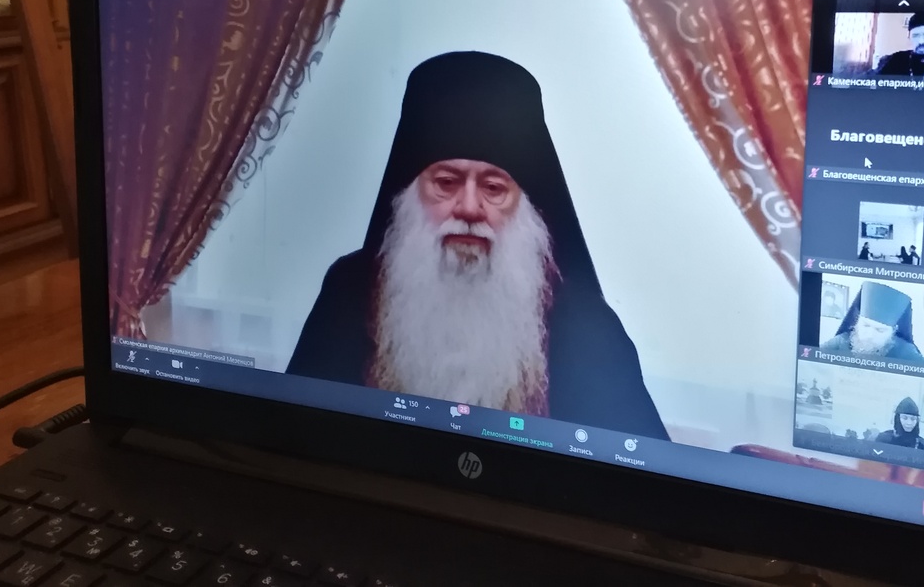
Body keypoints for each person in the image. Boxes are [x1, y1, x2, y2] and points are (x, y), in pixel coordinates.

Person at [287, 51, 669, 439]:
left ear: (526, 207)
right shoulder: (349, 292)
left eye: (493, 188)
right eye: (446, 183)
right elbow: (293, 439)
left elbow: (633, 465)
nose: (469, 208)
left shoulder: (586, 326)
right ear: (408, 195)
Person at [819, 280, 924, 362]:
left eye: (880, 330)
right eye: (866, 325)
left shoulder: (905, 351)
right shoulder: (841, 341)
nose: (870, 335)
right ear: (857, 322)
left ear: (893, 331)